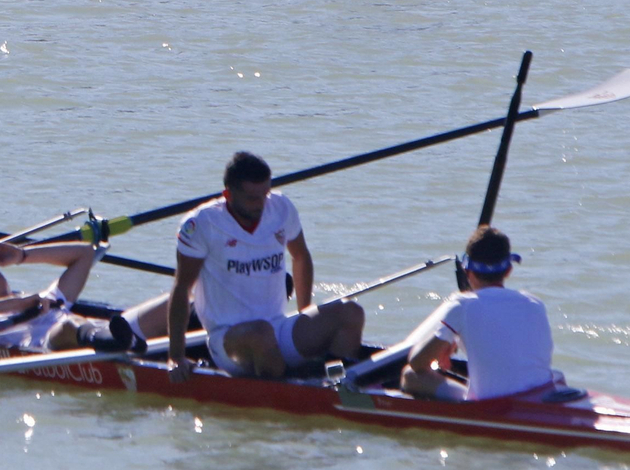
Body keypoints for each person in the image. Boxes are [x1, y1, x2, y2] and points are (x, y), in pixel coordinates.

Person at [167, 152, 364, 381]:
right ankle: (289, 389)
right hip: (229, 339)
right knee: (261, 334)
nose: (261, 204)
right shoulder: (201, 224)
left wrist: (304, 314)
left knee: (351, 312)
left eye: (265, 194)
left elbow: (300, 257)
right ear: (228, 195)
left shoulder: (281, 208)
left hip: (278, 329)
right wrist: (176, 356)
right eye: (252, 198)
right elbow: (181, 288)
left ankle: (338, 382)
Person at [400, 226, 558, 401]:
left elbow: (417, 362)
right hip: (541, 395)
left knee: (409, 375)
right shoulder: (535, 303)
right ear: (508, 271)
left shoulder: (462, 306)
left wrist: (448, 339)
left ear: (467, 272)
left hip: (493, 406)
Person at [0, 240, 101, 351]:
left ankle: (111, 338)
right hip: (51, 342)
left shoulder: (45, 300)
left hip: (93, 334)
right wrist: (18, 302)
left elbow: (85, 253)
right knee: (70, 325)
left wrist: (21, 255)